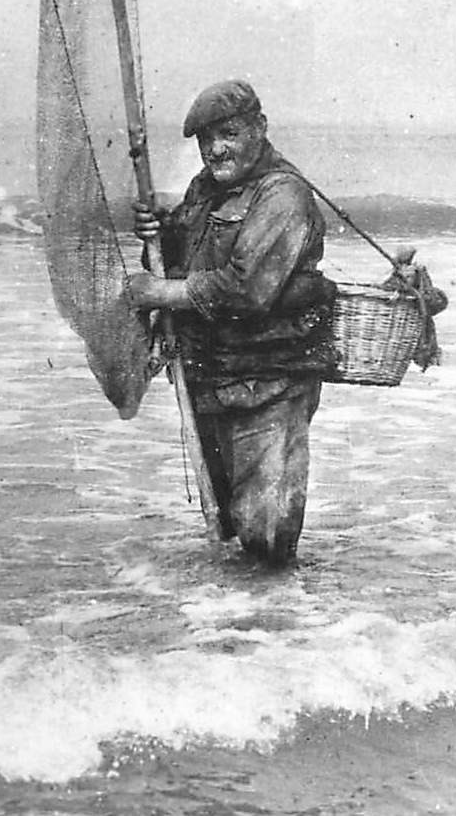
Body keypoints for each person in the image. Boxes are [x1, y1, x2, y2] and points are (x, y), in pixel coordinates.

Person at [125, 78, 336, 566]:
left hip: (269, 388)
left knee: (266, 540)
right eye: (206, 140)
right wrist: (158, 232)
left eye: (230, 134)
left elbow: (248, 290)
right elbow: (182, 257)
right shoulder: (207, 188)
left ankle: (283, 623)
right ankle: (237, 625)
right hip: (214, 380)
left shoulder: (283, 195)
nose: (215, 150)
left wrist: (164, 294)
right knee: (234, 530)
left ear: (259, 128)